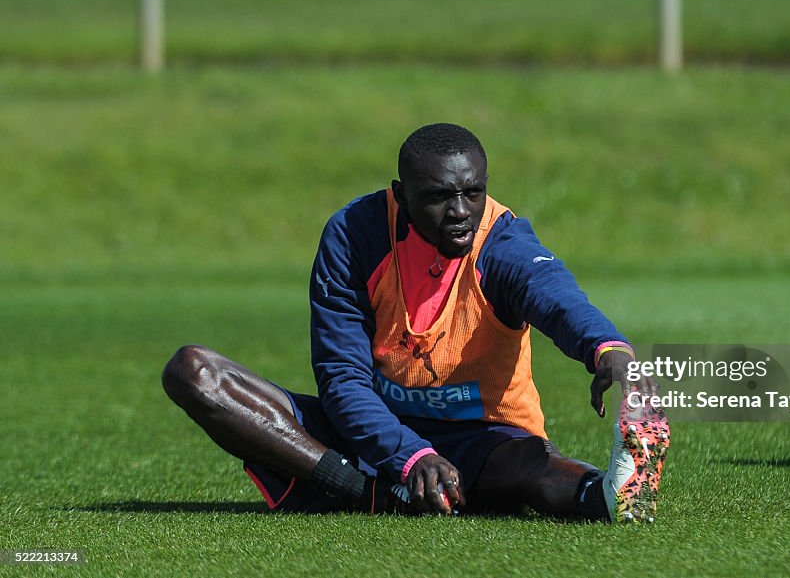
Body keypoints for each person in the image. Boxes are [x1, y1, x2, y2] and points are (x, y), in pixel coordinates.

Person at [162, 123, 669, 522]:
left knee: (531, 470)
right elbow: (342, 380)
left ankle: (607, 496)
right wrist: (408, 455)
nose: (461, 212)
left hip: (485, 439)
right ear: (401, 196)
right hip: (370, 434)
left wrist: (609, 351)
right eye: (439, 197)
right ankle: (369, 494)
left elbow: (557, 297)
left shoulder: (503, 242)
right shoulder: (354, 235)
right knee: (194, 373)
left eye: (473, 192)